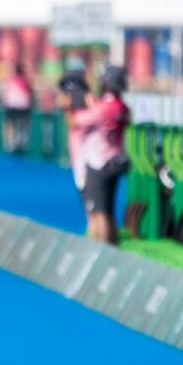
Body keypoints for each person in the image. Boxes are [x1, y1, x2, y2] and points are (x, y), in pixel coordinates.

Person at [72, 65, 131, 245]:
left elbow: (75, 121)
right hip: (114, 160)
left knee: (100, 213)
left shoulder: (104, 108)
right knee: (108, 210)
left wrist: (77, 105)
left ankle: (105, 250)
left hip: (99, 162)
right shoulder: (122, 107)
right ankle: (113, 249)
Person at [58, 66, 92, 233]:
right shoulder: (74, 106)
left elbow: (75, 120)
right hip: (78, 156)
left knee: (92, 202)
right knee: (85, 197)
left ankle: (95, 232)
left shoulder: (89, 102)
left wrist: (68, 107)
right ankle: (93, 228)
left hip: (90, 157)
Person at [2, 63, 32, 154]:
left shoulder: (11, 80)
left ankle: (10, 144)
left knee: (10, 124)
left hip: (12, 106)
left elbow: (5, 94)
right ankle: (21, 142)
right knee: (22, 124)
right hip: (23, 106)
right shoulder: (25, 80)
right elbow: (30, 93)